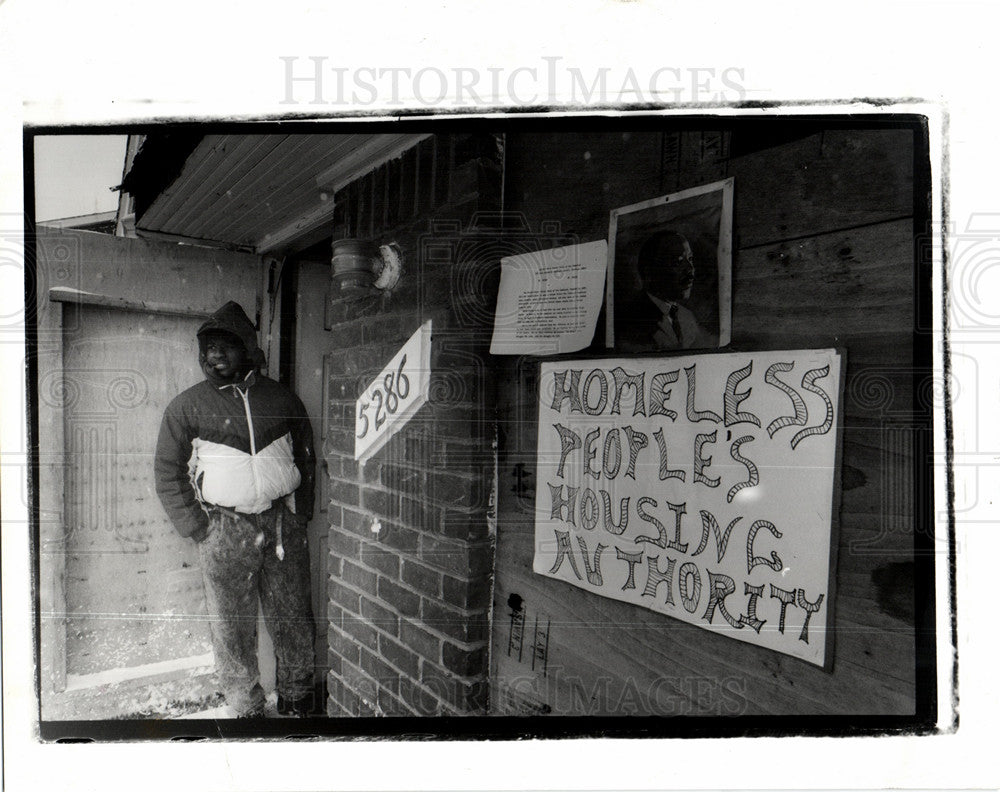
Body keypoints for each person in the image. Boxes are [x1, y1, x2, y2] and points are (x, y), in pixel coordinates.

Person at [154, 301, 317, 718]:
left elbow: (305, 456)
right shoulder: (186, 407)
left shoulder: (282, 399)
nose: (213, 356)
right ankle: (246, 709)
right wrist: (198, 528)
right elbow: (168, 472)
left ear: (246, 348)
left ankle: (300, 700)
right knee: (231, 627)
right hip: (223, 529)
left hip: (281, 525)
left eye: (224, 346)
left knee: (293, 615)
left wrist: (299, 515)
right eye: (207, 348)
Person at [616, 230, 716, 352]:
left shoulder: (688, 317)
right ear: (649, 272)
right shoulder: (629, 319)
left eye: (690, 259)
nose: (691, 270)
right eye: (678, 262)